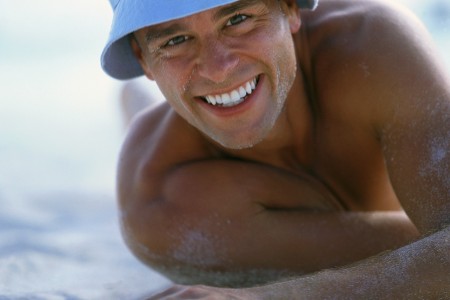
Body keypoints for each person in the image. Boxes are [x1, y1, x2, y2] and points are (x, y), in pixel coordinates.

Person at [101, 0, 450, 298]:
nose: (219, 69)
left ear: (289, 7)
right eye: (175, 40)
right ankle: (138, 103)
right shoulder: (159, 200)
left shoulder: (372, 46)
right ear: (142, 59)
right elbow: (421, 260)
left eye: (238, 20)